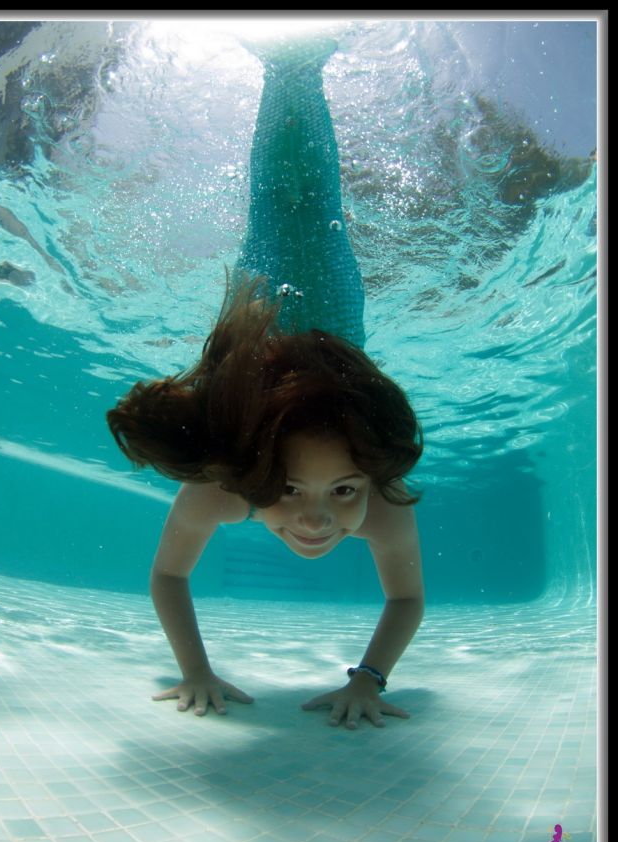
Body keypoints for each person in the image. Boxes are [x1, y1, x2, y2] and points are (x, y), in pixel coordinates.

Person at [107, 37, 425, 731]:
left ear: (368, 472)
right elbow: (407, 600)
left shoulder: (246, 490)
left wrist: (369, 679)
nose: (316, 521)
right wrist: (194, 671)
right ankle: (300, 64)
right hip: (337, 310)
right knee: (315, 204)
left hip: (270, 310)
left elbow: (168, 577)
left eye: (343, 489)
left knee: (272, 207)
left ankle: (287, 64)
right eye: (288, 488)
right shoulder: (372, 502)